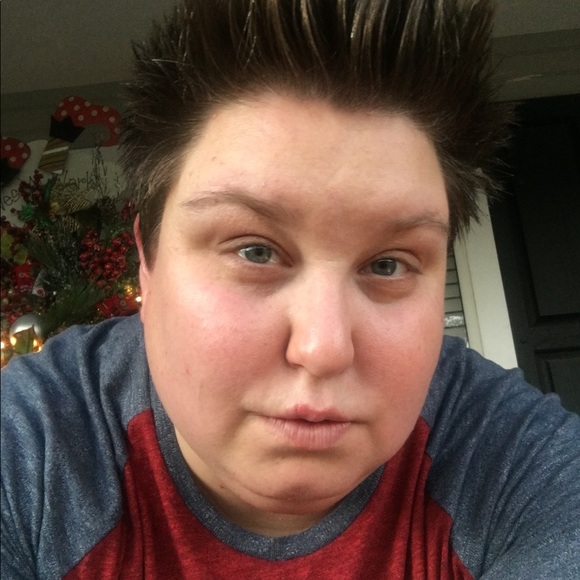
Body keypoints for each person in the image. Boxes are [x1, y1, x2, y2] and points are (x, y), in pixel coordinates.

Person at [2, 0, 579, 577]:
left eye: (387, 265)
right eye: (254, 251)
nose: (323, 349)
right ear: (146, 268)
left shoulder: (519, 464)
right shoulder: (32, 447)